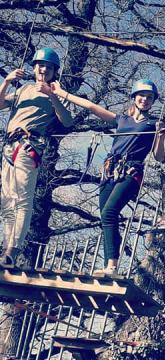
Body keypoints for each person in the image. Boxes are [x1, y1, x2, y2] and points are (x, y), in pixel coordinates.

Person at [52, 79, 165, 276]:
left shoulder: (154, 124)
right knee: (106, 216)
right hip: (110, 171)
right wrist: (62, 94)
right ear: (134, 97)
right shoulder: (121, 120)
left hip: (132, 172)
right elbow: (91, 106)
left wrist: (161, 136)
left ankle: (112, 266)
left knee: (109, 212)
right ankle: (109, 267)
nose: (145, 100)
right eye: (142, 96)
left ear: (153, 101)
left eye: (149, 98)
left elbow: (159, 156)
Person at [0, 48, 74, 266]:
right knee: (6, 201)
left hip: (28, 146)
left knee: (22, 199)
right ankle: (6, 250)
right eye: (40, 66)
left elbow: (67, 121)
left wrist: (51, 94)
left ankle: (13, 251)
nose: (43, 70)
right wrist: (6, 82)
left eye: (48, 67)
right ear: (33, 68)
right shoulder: (23, 89)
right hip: (8, 146)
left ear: (54, 72)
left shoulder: (57, 91)